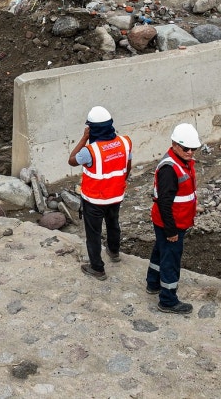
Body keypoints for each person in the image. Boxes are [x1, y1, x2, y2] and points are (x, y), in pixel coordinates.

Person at [68, 106, 133, 281]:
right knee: (113, 224)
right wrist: (118, 183)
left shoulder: (90, 151)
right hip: (116, 196)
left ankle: (97, 268)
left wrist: (84, 137)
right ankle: (114, 252)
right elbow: (127, 167)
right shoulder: (125, 142)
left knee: (94, 234)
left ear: (92, 128)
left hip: (94, 200)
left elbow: (71, 160)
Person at [146, 123, 201, 314]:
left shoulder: (180, 161)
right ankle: (168, 300)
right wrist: (171, 231)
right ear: (175, 145)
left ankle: (153, 283)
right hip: (172, 223)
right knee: (171, 259)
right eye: (186, 148)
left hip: (174, 220)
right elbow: (164, 203)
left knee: (161, 252)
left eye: (194, 149)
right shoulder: (170, 169)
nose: (191, 152)